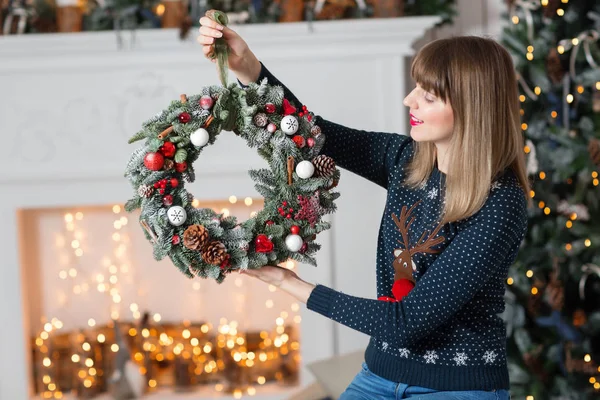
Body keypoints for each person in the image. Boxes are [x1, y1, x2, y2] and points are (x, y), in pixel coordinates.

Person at [198, 16, 530, 400]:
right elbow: (311, 132)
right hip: (379, 375)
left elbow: (405, 322)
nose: (410, 100)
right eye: (416, 88)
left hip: (457, 387)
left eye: (429, 95)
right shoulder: (406, 159)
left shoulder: (500, 203)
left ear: (473, 107)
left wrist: (288, 283)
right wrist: (250, 69)